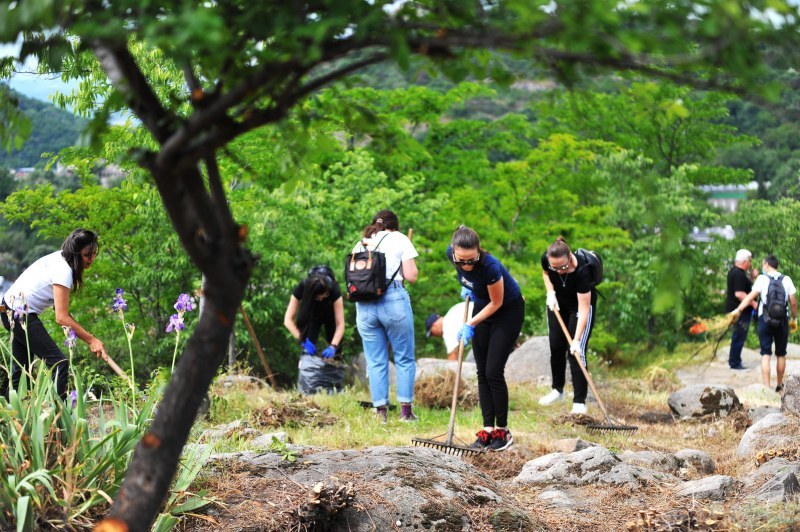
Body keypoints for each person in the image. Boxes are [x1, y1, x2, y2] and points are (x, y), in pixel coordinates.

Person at [1, 229, 108, 400]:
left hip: (8, 308)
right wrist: (91, 339)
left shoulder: (61, 258)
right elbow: (61, 318)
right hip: (18, 313)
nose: (92, 259)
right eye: (88, 255)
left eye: (94, 254)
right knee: (59, 364)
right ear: (76, 253)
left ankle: (10, 418)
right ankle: (59, 419)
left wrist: (90, 339)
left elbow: (62, 312)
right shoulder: (63, 271)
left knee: (21, 373)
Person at [448, 225, 524, 452]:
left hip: (506, 312)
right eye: (461, 261)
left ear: (478, 252)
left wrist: (470, 324)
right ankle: (488, 430)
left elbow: (497, 303)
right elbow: (469, 280)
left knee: (493, 371)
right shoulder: (452, 254)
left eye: (471, 260)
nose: (467, 265)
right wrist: (468, 289)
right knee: (481, 371)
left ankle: (503, 431)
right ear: (453, 252)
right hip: (482, 308)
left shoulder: (490, 267)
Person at [353, 210, 419, 423]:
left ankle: (380, 412)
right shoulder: (400, 239)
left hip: (364, 304)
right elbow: (411, 276)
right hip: (393, 301)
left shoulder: (362, 243)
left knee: (375, 360)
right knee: (404, 357)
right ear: (395, 225)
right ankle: (406, 413)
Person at [539, 237, 597, 415]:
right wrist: (550, 293)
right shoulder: (547, 260)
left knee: (575, 353)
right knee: (556, 346)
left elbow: (584, 310)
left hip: (579, 307)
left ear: (570, 257)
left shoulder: (582, 271)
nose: (559, 271)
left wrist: (577, 340)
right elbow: (546, 273)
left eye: (563, 267)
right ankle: (558, 390)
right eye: (555, 267)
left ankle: (579, 402)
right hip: (558, 304)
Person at [729, 254, 798, 392]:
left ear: (767, 265)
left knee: (765, 354)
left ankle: (767, 388)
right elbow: (793, 302)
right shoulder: (787, 279)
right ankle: (779, 386)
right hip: (782, 321)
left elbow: (750, 297)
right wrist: (794, 319)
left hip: (765, 320)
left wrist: (738, 310)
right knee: (781, 354)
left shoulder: (762, 279)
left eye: (762, 264)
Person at [283, 265, 346, 395]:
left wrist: (333, 346)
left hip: (330, 316)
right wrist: (302, 340)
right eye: (319, 297)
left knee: (337, 351)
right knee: (308, 349)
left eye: (325, 296)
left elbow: (340, 325)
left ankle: (333, 387)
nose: (322, 299)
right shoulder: (302, 288)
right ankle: (307, 388)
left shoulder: (333, 290)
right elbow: (287, 320)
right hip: (312, 315)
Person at [726, 249, 758, 370]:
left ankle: (735, 361)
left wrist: (752, 277)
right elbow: (739, 293)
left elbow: (745, 287)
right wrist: (753, 303)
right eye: (749, 260)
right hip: (740, 311)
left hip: (738, 310)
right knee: (739, 335)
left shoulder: (735, 272)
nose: (750, 263)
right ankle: (734, 363)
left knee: (738, 335)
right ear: (745, 261)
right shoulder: (739, 274)